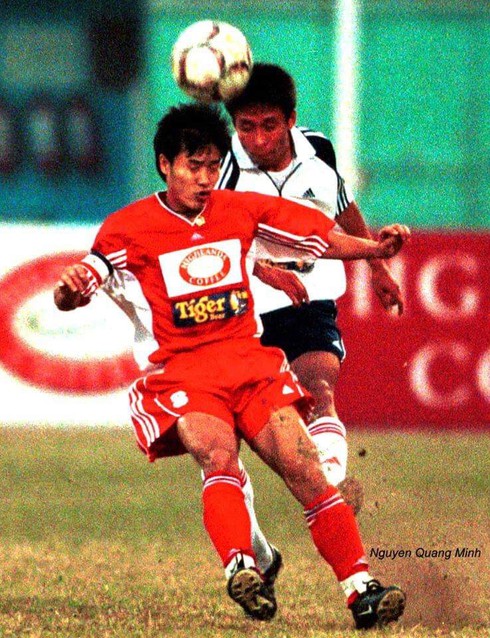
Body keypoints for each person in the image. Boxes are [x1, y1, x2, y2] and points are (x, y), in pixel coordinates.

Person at [54, 103, 408, 629]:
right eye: (192, 165)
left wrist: (373, 249)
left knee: (307, 470)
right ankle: (242, 567)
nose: (204, 178)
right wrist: (68, 292)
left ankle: (362, 591)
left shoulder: (238, 208)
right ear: (164, 165)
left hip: (250, 365)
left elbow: (315, 233)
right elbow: (80, 283)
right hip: (184, 374)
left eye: (213, 165)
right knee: (216, 455)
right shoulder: (127, 228)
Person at [216, 60, 403, 571]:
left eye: (269, 126)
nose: (257, 140)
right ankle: (258, 552)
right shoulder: (223, 168)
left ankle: (335, 487)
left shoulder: (319, 150)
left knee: (319, 386)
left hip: (311, 294)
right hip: (244, 302)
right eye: (246, 127)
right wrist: (265, 270)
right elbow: (209, 240)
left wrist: (378, 265)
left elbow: (342, 207)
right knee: (229, 440)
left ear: (291, 120)